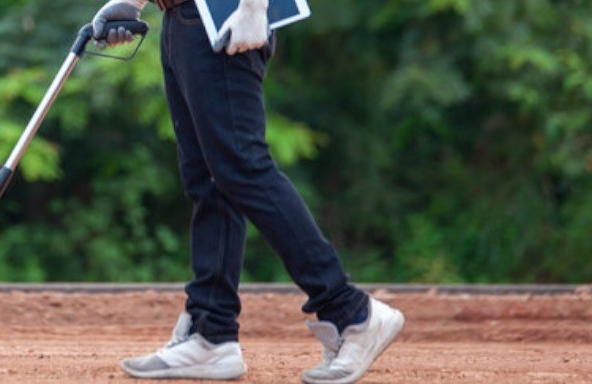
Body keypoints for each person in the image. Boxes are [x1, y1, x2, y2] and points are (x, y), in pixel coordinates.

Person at [89, 0, 404, 382]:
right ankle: (211, 334)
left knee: (243, 168)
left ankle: (351, 312)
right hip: (182, 21)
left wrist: (255, 6)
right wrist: (131, 3)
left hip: (224, 15)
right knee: (207, 180)